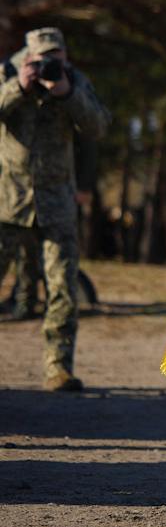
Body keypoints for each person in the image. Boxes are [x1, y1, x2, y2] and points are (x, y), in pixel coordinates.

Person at [0, 27, 110, 391]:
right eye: (40, 59)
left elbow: (97, 127)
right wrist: (20, 87)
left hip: (57, 202)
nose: (48, 64)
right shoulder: (7, 74)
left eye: (55, 58)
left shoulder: (73, 82)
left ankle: (58, 368)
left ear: (65, 56)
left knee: (62, 289)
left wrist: (67, 93)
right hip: (8, 202)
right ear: (26, 57)